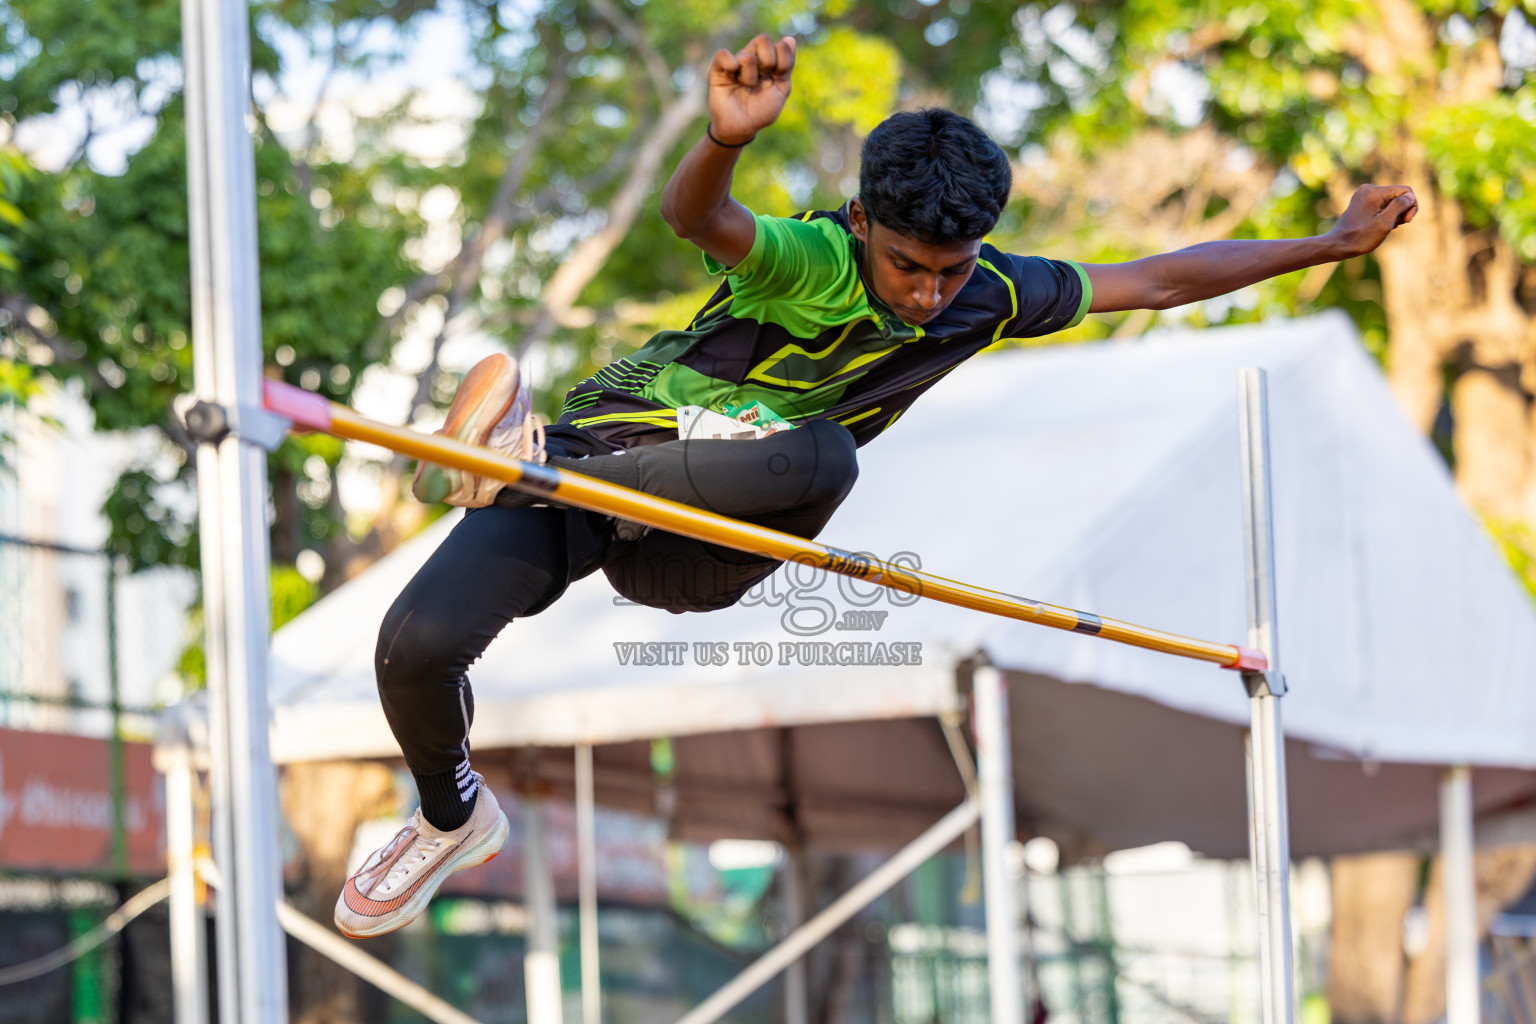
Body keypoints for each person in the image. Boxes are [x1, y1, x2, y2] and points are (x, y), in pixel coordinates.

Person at [334, 33, 1417, 938]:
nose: (929, 294)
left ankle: (529, 471)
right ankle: (448, 815)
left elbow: (1162, 278)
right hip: (603, 462)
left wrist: (1324, 244)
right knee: (417, 643)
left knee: (825, 453)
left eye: (951, 270)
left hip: (713, 529)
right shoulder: (809, 257)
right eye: (909, 266)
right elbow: (697, 221)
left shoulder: (985, 292)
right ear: (862, 227)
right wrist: (724, 141)